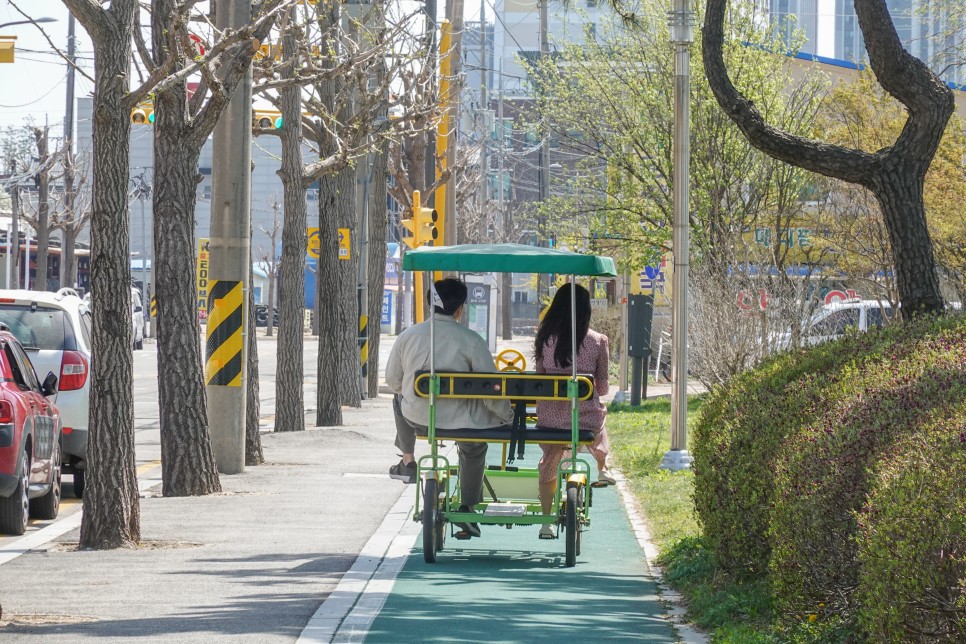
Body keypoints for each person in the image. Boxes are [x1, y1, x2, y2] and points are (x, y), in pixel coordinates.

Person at [385, 277, 513, 538]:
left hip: (418, 419)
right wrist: (506, 417)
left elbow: (393, 382)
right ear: (459, 309)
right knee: (474, 447)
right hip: (462, 423)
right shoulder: (472, 341)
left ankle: (408, 459)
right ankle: (467, 506)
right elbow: (491, 388)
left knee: (398, 401)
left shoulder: (407, 336)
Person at [533, 283, 614, 539]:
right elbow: (601, 388)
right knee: (599, 417)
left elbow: (540, 379)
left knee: (549, 464)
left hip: (550, 420)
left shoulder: (544, 339)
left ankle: (546, 522)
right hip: (584, 420)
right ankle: (602, 465)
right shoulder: (598, 341)